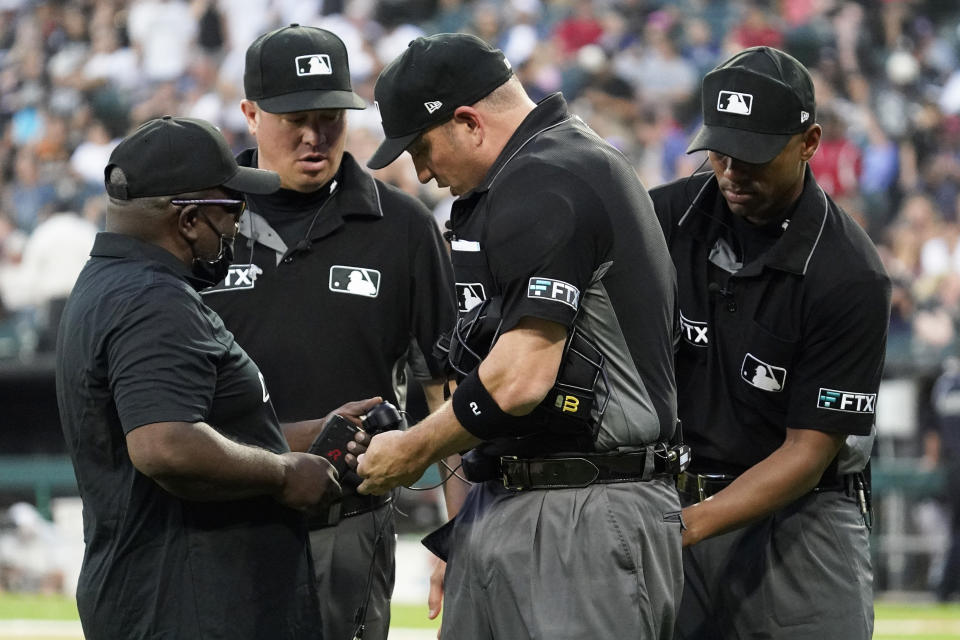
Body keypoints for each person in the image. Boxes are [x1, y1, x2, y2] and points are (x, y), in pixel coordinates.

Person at [357, 33, 684, 638]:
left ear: (468, 122)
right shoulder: (520, 181)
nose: (422, 172)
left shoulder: (552, 176)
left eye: (421, 148)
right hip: (518, 498)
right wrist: (466, 529)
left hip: (585, 506)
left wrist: (412, 450)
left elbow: (520, 379)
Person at [55, 115, 376, 639]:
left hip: (161, 595)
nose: (237, 225)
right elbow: (165, 446)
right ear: (186, 220)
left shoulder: (108, 285)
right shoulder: (153, 300)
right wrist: (283, 473)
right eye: (232, 208)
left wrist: (302, 437)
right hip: (192, 605)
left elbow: (180, 427)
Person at [199, 24, 457, 640]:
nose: (315, 136)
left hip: (346, 521)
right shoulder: (201, 221)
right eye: (294, 118)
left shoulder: (402, 228)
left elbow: (447, 390)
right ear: (250, 114)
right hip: (215, 517)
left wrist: (457, 534)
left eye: (330, 116)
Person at [648, 46, 891, 639]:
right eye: (721, 150)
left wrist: (684, 525)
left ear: (809, 142)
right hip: (676, 500)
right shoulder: (660, 220)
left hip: (801, 522)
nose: (732, 171)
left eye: (753, 154)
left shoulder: (848, 272)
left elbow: (808, 453)